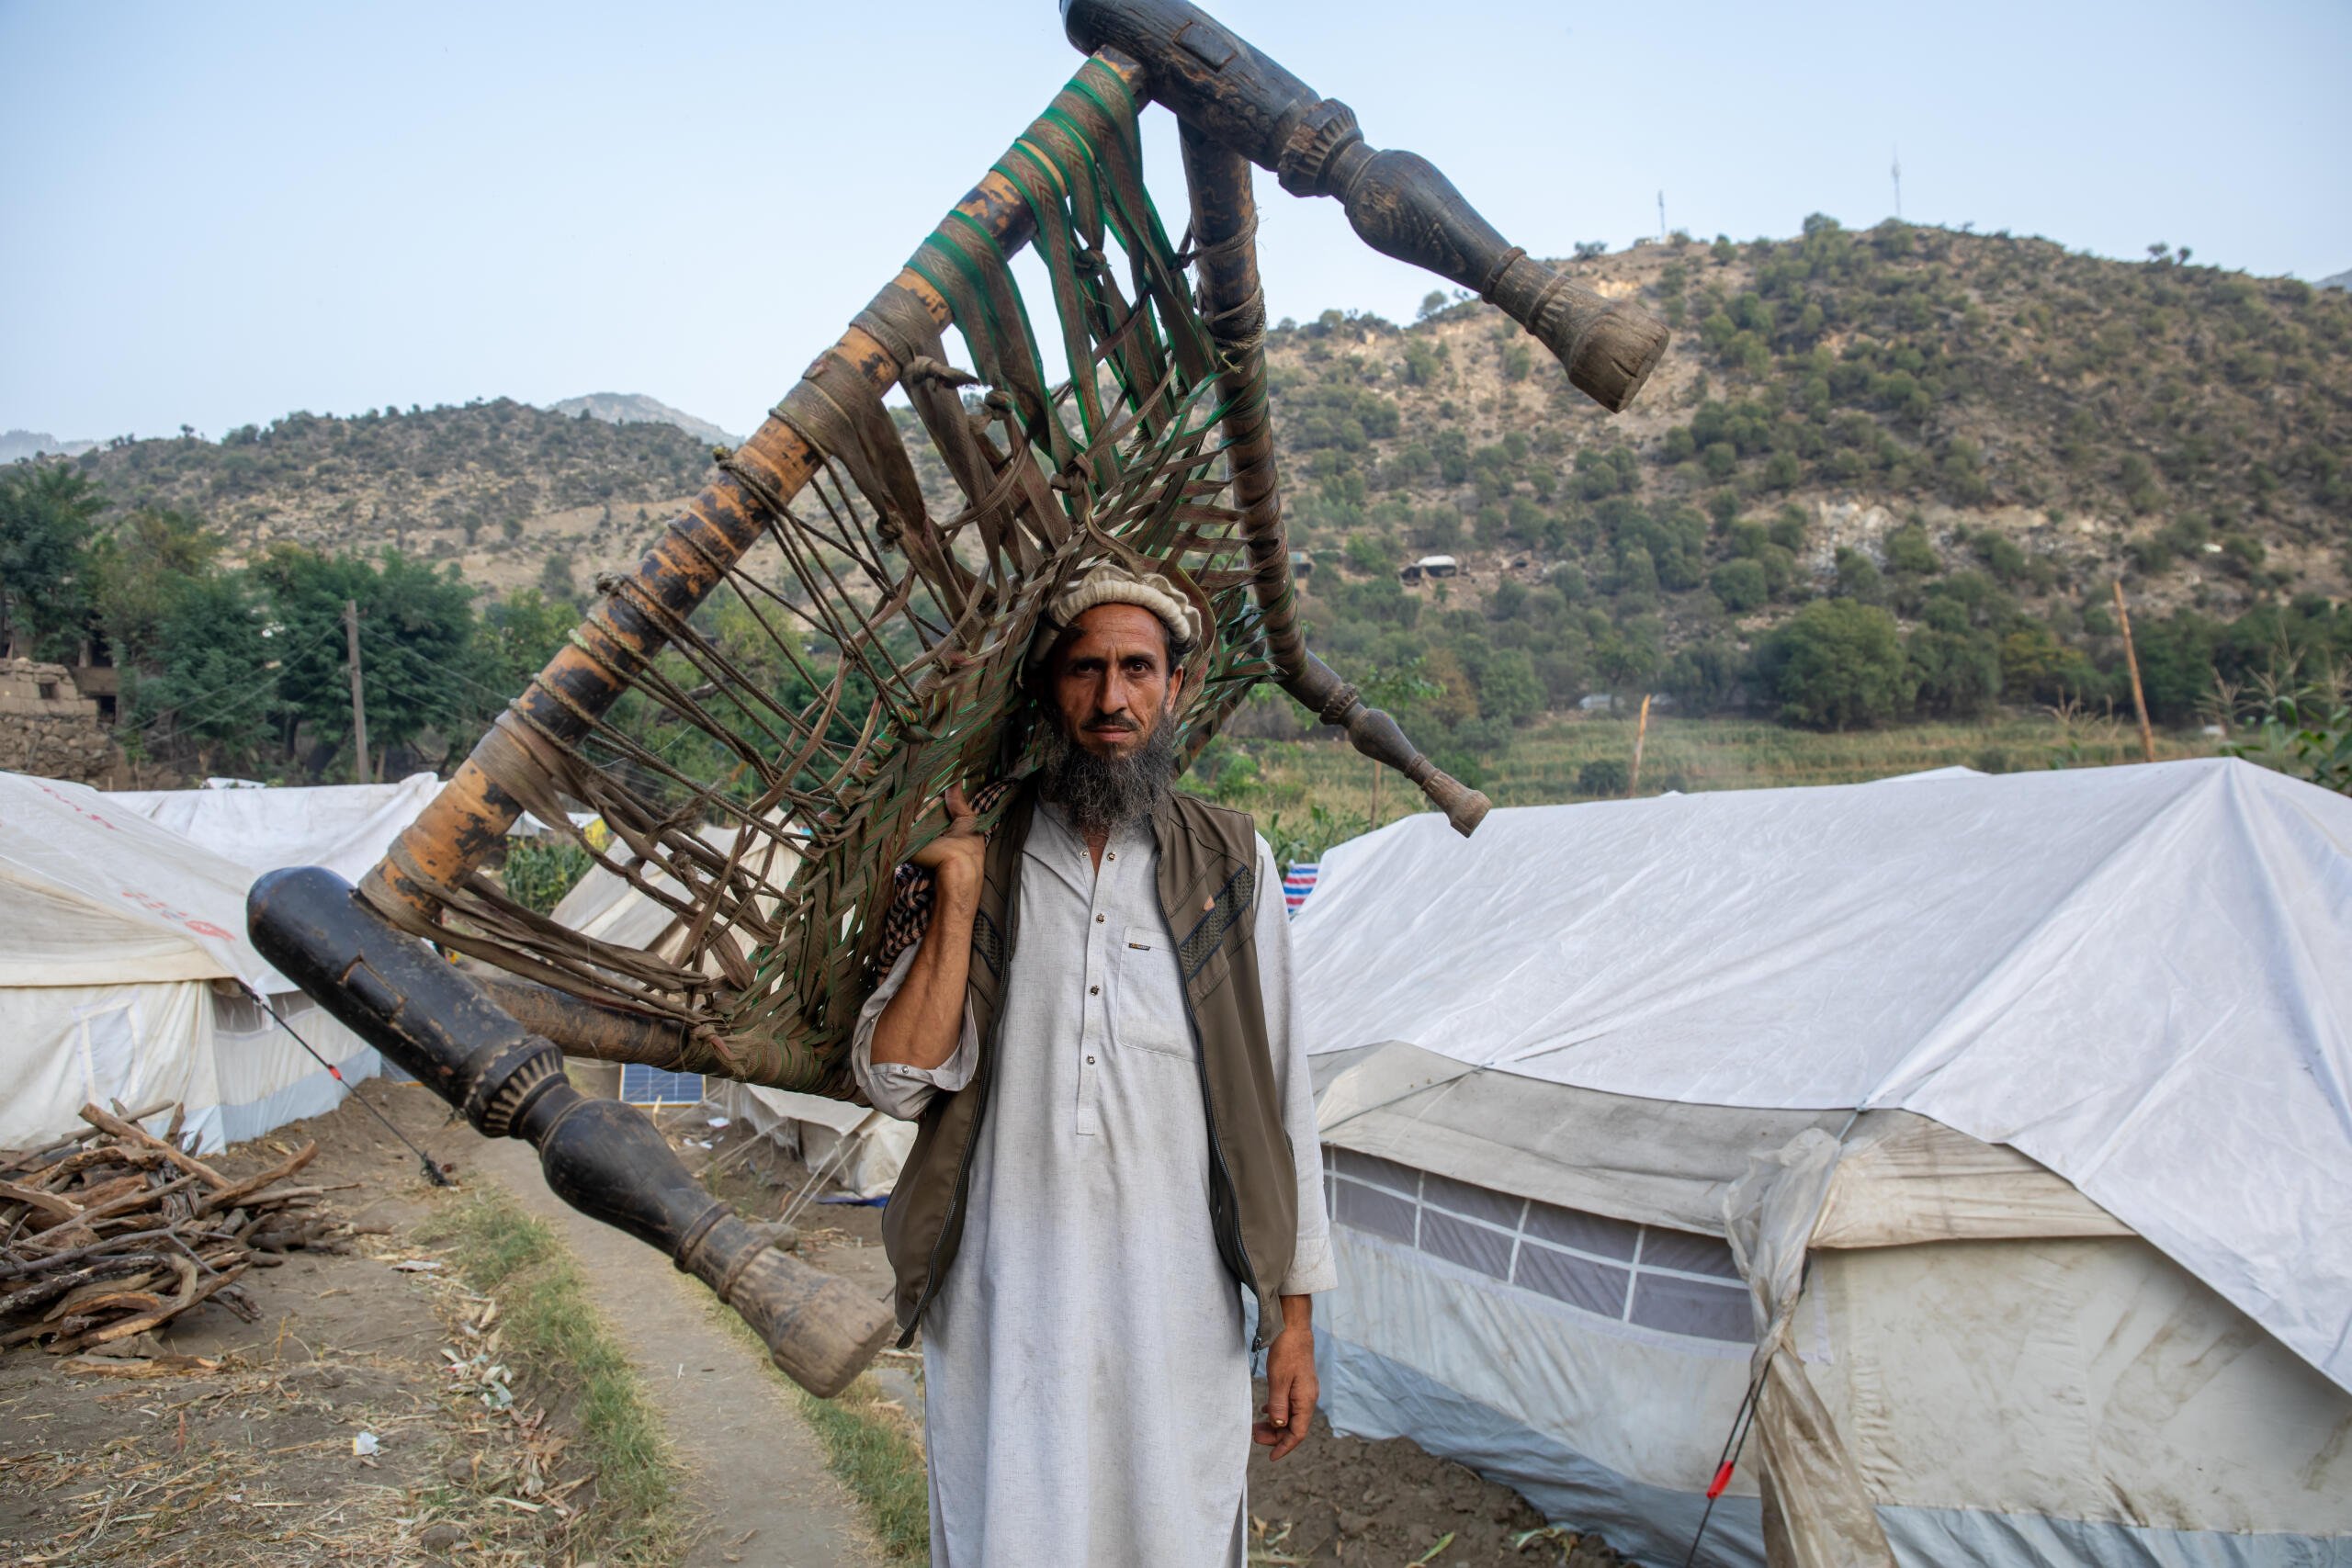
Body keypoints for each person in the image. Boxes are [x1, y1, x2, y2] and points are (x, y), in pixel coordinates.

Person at [853, 561, 1334, 1567]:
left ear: (1175, 686)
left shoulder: (1232, 861)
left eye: (1136, 669)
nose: (1111, 700)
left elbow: (1286, 1101)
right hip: (1003, 1297)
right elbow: (894, 1081)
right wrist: (959, 891)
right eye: (1083, 670)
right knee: (1010, 1532)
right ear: (1046, 688)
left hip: (1176, 1311)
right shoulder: (979, 847)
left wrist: (1293, 1323)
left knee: (1170, 1534)